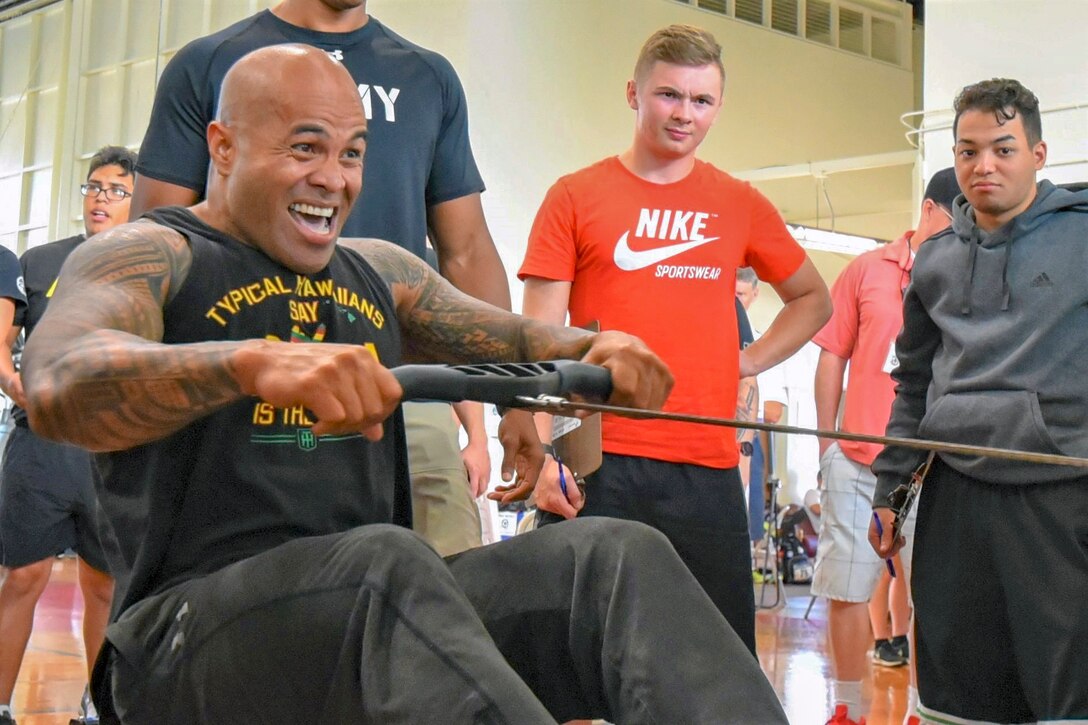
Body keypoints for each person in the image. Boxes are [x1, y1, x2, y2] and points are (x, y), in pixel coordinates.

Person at [20, 46, 788, 724]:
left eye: (352, 153)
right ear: (222, 146)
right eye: (305, 148)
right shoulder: (153, 254)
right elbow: (56, 379)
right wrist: (250, 361)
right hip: (184, 636)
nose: (333, 178)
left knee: (616, 557)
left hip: (369, 602)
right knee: (384, 564)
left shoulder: (379, 272)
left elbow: (509, 335)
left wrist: (596, 343)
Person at [131, 0, 510, 556]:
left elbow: (467, 249)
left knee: (448, 588)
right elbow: (154, 249)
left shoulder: (427, 78)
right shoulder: (210, 64)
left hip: (398, 389)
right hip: (249, 394)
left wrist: (514, 398)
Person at [518, 24, 830, 655]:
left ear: (718, 107)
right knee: (575, 661)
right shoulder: (575, 196)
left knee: (712, 666)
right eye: (669, 95)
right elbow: (537, 340)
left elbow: (813, 299)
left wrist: (742, 359)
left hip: (704, 468)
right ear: (633, 94)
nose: (684, 114)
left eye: (701, 100)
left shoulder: (736, 202)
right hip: (598, 466)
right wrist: (542, 453)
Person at [871, 78, 1088, 724]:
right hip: (955, 494)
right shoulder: (935, 260)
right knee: (959, 694)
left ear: (1039, 153)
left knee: (1067, 690)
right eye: (967, 151)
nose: (983, 166)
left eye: (1002, 149)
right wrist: (888, 490)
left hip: (1057, 495)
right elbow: (912, 385)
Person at [813, 167, 959, 725]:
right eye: (955, 217)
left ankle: (922, 710)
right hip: (857, 460)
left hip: (934, 466)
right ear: (927, 211)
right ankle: (847, 706)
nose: (963, 230)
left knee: (932, 597)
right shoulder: (866, 271)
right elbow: (832, 354)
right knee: (848, 588)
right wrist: (828, 442)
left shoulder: (965, 273)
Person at [0, 145, 138, 725]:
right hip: (42, 446)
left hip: (112, 450)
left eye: (115, 190)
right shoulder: (40, 260)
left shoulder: (152, 263)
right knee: (24, 575)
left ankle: (97, 706)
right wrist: (23, 391)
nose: (100, 198)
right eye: (92, 187)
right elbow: (5, 347)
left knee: (104, 585)